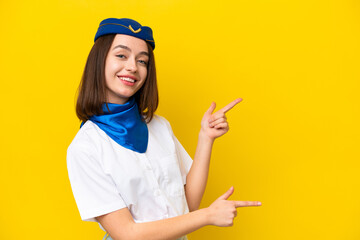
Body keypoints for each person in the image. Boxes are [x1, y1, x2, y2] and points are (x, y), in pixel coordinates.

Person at [67, 18, 261, 240]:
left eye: (143, 61)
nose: (132, 67)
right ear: (99, 61)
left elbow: (186, 204)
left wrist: (206, 138)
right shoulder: (85, 147)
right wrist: (208, 216)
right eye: (121, 55)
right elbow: (127, 234)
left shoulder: (159, 126)